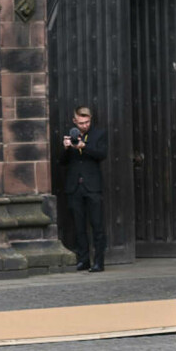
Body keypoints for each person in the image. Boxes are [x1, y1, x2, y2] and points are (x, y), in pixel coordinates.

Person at [60, 106, 108, 272]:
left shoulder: (98, 134)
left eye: (87, 122)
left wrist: (83, 146)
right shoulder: (71, 135)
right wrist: (66, 148)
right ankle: (84, 260)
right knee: (79, 226)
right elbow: (62, 162)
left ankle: (99, 262)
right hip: (75, 187)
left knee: (97, 225)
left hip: (92, 186)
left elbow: (102, 154)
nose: (84, 125)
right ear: (75, 121)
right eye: (81, 123)